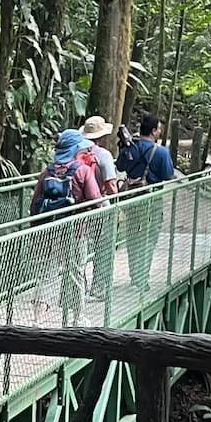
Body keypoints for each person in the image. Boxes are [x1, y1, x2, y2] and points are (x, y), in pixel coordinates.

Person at [32, 127, 106, 322]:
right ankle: (78, 317)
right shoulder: (82, 171)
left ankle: (37, 319)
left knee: (47, 272)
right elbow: (96, 201)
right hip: (76, 231)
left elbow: (35, 204)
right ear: (75, 149)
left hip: (50, 231)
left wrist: (35, 229)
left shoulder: (47, 172)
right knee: (76, 272)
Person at [122, 114, 176, 295]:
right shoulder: (161, 152)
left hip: (131, 199)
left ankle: (134, 274)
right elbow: (168, 175)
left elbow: (121, 166)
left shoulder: (131, 147)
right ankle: (142, 278)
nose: (160, 131)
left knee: (132, 236)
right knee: (148, 239)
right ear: (153, 131)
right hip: (152, 200)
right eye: (159, 128)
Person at [79, 114, 122, 297]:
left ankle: (73, 292)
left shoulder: (76, 153)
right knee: (103, 247)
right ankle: (98, 287)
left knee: (79, 249)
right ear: (102, 136)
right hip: (100, 206)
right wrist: (118, 205)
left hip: (79, 207)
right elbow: (111, 185)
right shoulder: (104, 155)